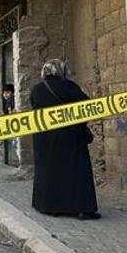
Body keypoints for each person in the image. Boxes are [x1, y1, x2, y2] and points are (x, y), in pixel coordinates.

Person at [30, 59, 99, 220]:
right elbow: (86, 107)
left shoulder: (36, 89)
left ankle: (50, 207)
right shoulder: (69, 86)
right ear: (61, 71)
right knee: (76, 171)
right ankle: (81, 209)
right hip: (69, 137)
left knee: (49, 171)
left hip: (44, 138)